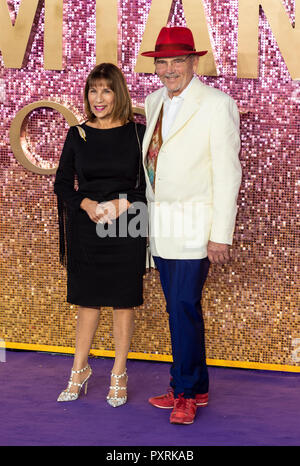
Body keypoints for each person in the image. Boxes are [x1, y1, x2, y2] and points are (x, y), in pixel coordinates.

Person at [141, 27, 242, 424]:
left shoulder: (217, 105)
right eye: (162, 62)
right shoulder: (153, 101)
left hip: (195, 228)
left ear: (194, 62)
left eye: (177, 61)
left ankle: (184, 392)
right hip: (162, 227)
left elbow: (227, 173)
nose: (169, 69)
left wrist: (221, 233)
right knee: (179, 308)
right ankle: (193, 385)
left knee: (182, 307)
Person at [54, 63, 146, 407]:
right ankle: (79, 370)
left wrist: (123, 205)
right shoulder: (77, 134)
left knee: (124, 302)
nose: (99, 98)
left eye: (106, 90)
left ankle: (118, 373)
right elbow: (62, 184)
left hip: (127, 226)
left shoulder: (138, 133)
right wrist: (87, 203)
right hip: (87, 227)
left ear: (118, 92)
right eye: (93, 90)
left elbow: (147, 184)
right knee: (87, 301)